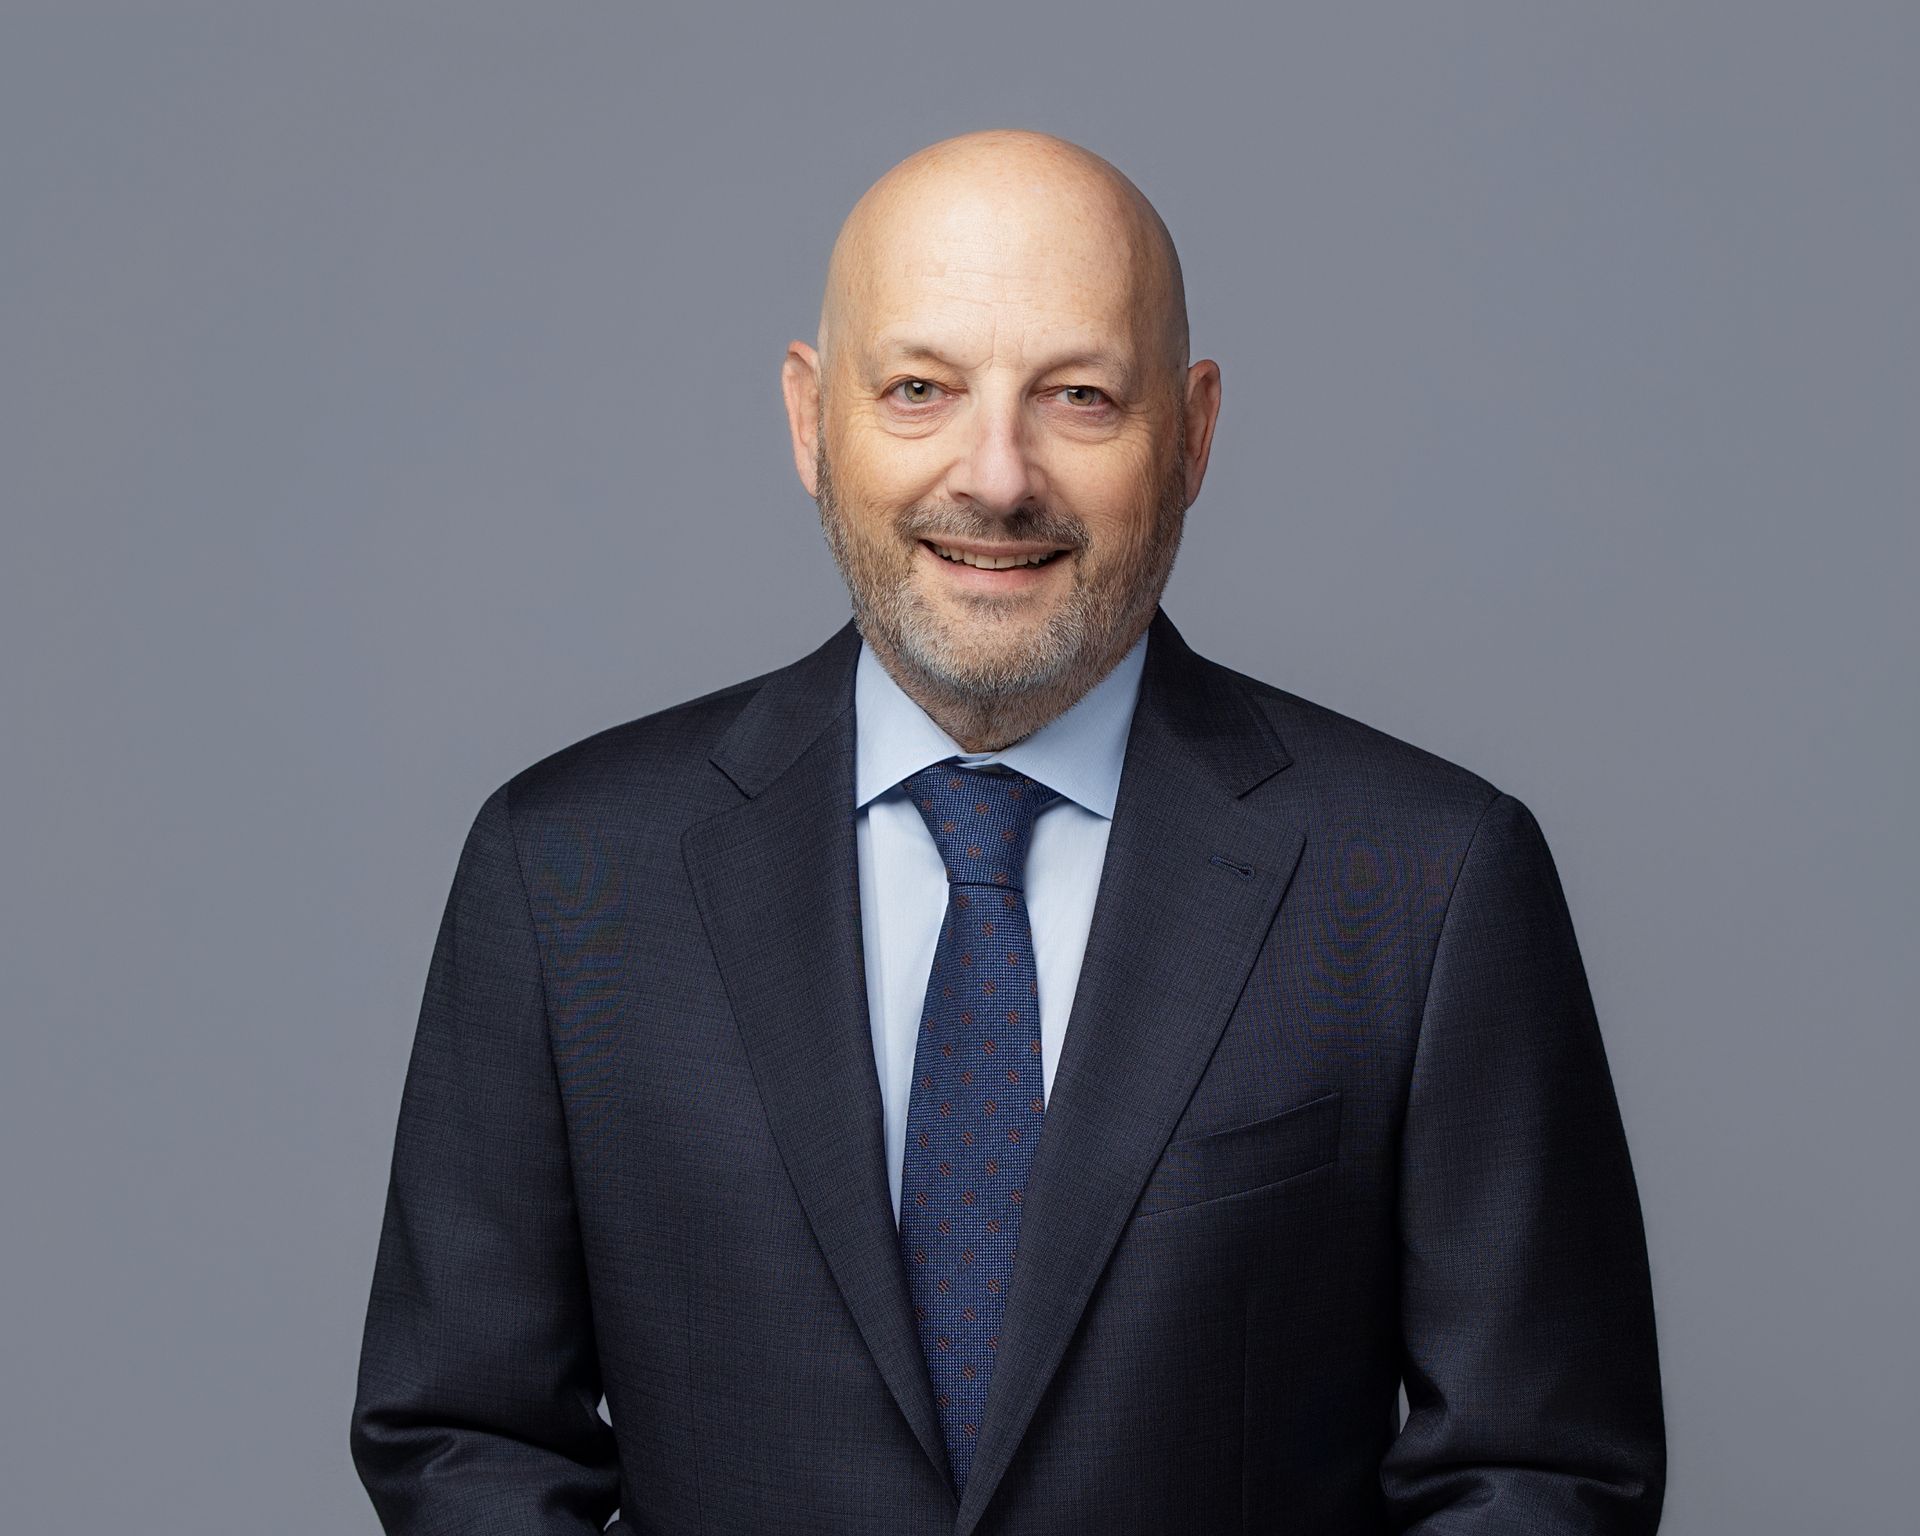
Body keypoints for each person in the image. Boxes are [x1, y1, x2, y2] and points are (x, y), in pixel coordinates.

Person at [350, 128, 1666, 1534]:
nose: (995, 476)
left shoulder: (1427, 883)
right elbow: (467, 1433)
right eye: (919, 389)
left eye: (1079, 397)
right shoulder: (566, 873)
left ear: (1193, 433)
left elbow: (1538, 1468)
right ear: (810, 419)